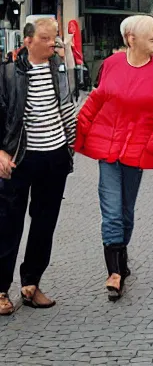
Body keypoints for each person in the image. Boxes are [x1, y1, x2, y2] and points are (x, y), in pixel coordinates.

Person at [75, 16, 153, 301]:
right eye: (152, 30)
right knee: (111, 210)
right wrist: (79, 130)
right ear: (131, 38)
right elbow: (97, 99)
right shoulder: (111, 65)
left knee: (125, 212)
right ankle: (115, 272)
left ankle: (121, 258)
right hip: (107, 148)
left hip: (138, 149)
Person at [0, 18, 77, 315]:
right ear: (28, 40)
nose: (52, 43)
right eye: (46, 38)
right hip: (21, 157)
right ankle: (1, 289)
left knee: (45, 224)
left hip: (55, 156)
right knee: (8, 223)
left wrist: (69, 146)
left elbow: (69, 106)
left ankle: (31, 283)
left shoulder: (60, 69)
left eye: (54, 38)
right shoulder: (8, 73)